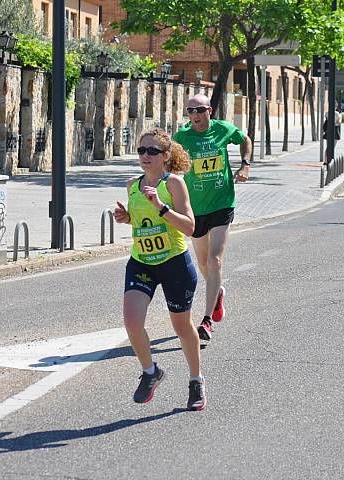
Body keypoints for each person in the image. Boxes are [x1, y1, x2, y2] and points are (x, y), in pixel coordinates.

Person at [113, 128, 206, 411]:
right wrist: (126, 217)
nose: (146, 156)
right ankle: (151, 371)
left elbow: (190, 227)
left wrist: (162, 207)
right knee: (131, 321)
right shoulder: (132, 185)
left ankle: (195, 380)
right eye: (142, 151)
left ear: (165, 157)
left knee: (181, 326)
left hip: (175, 262)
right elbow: (141, 221)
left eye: (152, 152)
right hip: (142, 262)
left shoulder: (173, 184)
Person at [173, 94, 253, 341]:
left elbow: (245, 139)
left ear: (209, 110)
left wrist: (245, 164)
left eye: (199, 110)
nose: (195, 115)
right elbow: (170, 163)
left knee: (215, 260)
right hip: (195, 209)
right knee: (204, 264)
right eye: (190, 110)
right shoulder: (182, 137)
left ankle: (206, 320)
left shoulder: (223, 129)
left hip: (222, 202)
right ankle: (216, 292)